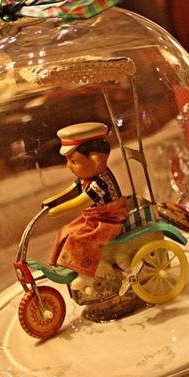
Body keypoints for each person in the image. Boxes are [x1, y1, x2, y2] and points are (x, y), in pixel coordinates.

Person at [44, 122, 128, 293]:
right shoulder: (87, 178)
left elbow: (83, 201)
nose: (68, 166)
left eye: (73, 161)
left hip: (109, 220)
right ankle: (65, 265)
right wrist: (54, 201)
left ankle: (86, 273)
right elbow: (73, 190)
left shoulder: (100, 182)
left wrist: (58, 210)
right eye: (68, 161)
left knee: (80, 240)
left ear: (96, 160)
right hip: (95, 218)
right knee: (66, 230)